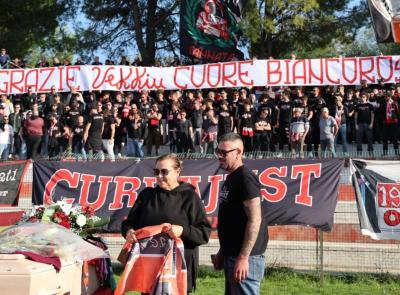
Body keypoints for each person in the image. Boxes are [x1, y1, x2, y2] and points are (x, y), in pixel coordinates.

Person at [121, 154, 211, 293]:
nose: (159, 176)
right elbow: (128, 223)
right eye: (156, 172)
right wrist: (129, 232)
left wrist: (183, 231)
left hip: (177, 272)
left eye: (164, 172)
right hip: (149, 269)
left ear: (178, 171)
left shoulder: (189, 196)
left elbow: (204, 233)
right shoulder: (147, 195)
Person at [213, 132, 267, 294]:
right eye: (218, 151)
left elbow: (255, 220)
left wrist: (243, 257)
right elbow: (232, 221)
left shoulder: (245, 179)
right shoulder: (231, 178)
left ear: (238, 152)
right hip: (232, 254)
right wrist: (223, 251)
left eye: (224, 152)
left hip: (245, 257)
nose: (220, 156)